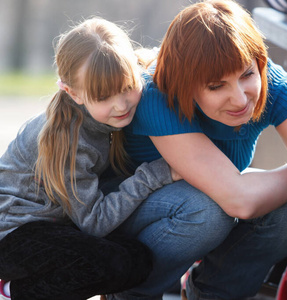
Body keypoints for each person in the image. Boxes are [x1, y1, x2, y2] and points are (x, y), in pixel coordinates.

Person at [108, 1, 287, 299]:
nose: (240, 99)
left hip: (202, 204)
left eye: (247, 74)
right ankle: (132, 294)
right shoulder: (158, 96)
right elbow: (240, 201)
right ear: (186, 85)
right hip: (122, 211)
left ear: (259, 62)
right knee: (205, 211)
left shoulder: (276, 86)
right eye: (216, 86)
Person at [0, 18, 179, 300]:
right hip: (15, 234)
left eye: (127, 87)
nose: (121, 105)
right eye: (104, 96)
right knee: (114, 265)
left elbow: (158, 62)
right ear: (74, 93)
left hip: (61, 222)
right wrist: (155, 175)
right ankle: (15, 291)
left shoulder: (130, 79)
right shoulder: (70, 139)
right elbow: (94, 222)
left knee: (138, 259)